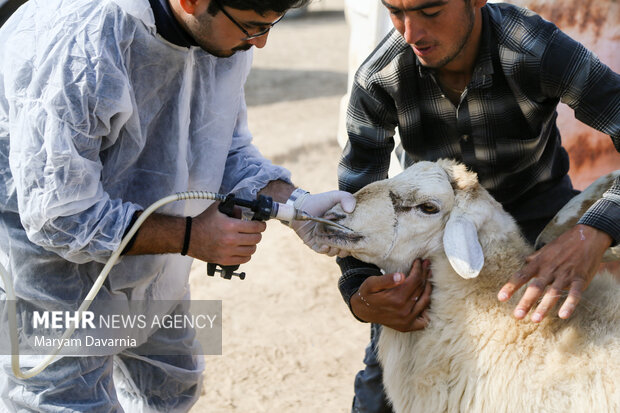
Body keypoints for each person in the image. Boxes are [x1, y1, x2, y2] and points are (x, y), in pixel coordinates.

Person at [0, 0, 354, 411]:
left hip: (153, 258)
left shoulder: (222, 40)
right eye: (254, 27)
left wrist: (297, 205)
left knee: (169, 387)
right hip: (51, 274)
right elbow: (59, 215)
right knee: (64, 401)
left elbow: (224, 147)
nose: (261, 43)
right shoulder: (86, 45)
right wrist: (190, 235)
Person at [336, 0, 620, 411]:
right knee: (381, 392)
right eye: (395, 12)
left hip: (538, 226)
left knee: (576, 374)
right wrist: (359, 289)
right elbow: (354, 194)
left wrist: (593, 232)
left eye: (430, 11)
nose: (410, 33)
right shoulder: (380, 76)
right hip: (436, 231)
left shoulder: (536, 49)